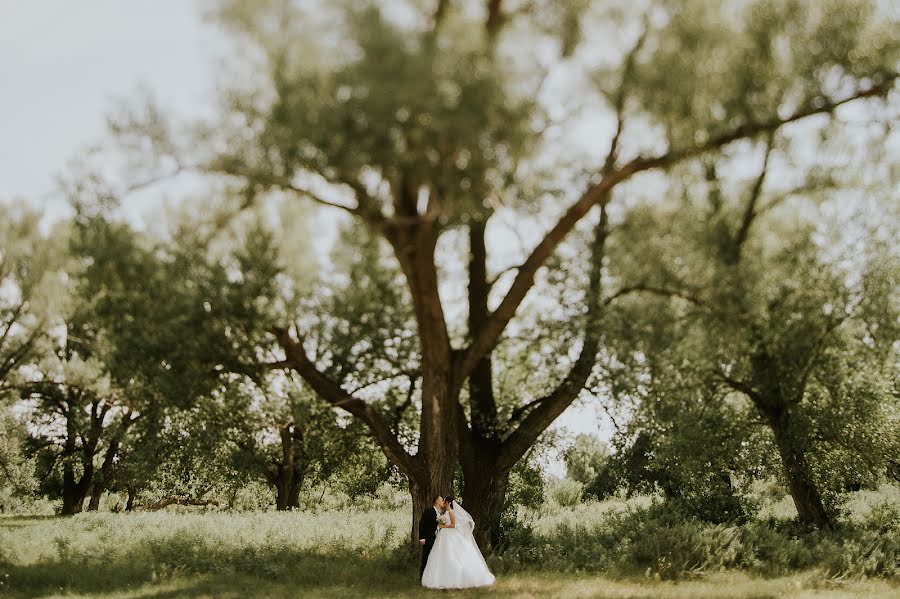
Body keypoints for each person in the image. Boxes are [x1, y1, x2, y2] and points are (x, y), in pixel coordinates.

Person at [421, 495, 495, 589]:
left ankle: (458, 579)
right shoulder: (444, 512)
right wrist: (441, 523)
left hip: (449, 535)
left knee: (452, 554)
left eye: (445, 501)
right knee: (441, 555)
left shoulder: (451, 512)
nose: (443, 502)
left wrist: (443, 526)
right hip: (443, 536)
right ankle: (441, 578)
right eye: (442, 500)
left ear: (449, 503)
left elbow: (453, 525)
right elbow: (441, 523)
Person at [418, 494, 444, 577]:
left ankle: (433, 577)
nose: (443, 502)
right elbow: (422, 524)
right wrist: (422, 538)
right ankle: (422, 578)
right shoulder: (429, 511)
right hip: (428, 539)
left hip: (438, 539)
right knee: (426, 557)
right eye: (441, 500)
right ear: (437, 501)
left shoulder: (441, 513)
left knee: (436, 558)